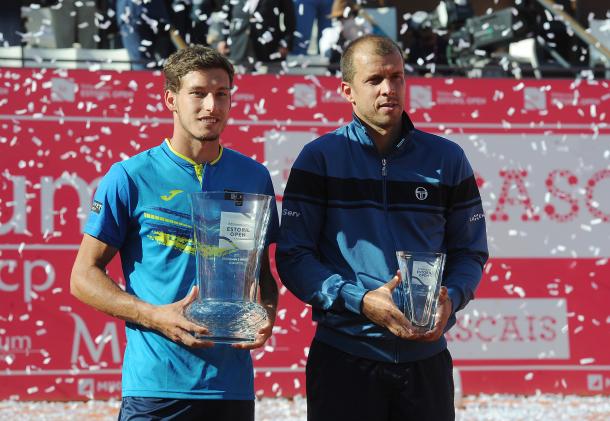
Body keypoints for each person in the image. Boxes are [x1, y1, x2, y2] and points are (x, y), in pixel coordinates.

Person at [276, 34, 488, 421]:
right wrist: (359, 300)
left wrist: (452, 296)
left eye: (397, 77)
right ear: (348, 91)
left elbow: (470, 252)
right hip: (345, 358)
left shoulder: (447, 158)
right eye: (375, 80)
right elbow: (293, 256)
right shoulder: (318, 159)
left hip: (427, 360)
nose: (389, 89)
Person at [70, 45, 279, 420]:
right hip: (155, 388)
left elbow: (262, 271)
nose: (211, 106)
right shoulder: (130, 176)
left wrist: (266, 313)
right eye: (198, 94)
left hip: (231, 389)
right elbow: (82, 277)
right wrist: (154, 315)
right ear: (171, 99)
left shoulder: (254, 177)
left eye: (221, 94)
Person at [216, 0, 295, 71]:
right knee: (240, 83)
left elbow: (290, 19)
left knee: (268, 82)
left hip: (269, 49)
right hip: (238, 46)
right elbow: (224, 16)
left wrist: (286, 43)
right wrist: (222, 39)